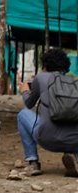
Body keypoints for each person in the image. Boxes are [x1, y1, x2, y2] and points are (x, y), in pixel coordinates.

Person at [17, 48, 78, 176]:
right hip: (75, 141)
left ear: (45, 65)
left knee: (23, 114)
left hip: (48, 139)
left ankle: (33, 162)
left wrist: (24, 91)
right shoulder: (75, 81)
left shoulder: (41, 78)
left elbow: (29, 104)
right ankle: (75, 157)